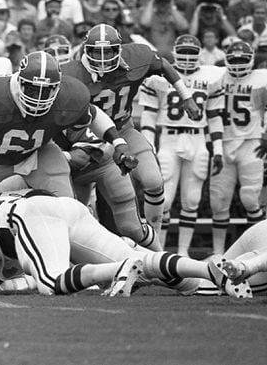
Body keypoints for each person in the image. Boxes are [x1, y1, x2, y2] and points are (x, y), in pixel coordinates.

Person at [0, 189, 241, 297]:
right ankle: (207, 271)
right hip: (63, 207)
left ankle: (119, 269)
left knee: (51, 282)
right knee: (149, 266)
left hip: (27, 216)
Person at [0, 51, 137, 199]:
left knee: (66, 208)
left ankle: (67, 267)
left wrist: (118, 143)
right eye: (32, 88)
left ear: (58, 87)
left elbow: (94, 115)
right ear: (19, 81)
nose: (39, 96)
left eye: (47, 90)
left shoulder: (71, 96)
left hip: (40, 153)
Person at [60, 24, 202, 233]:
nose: (102, 58)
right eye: (96, 52)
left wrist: (186, 96)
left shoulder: (137, 57)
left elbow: (163, 66)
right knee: (78, 205)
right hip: (84, 137)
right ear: (85, 50)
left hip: (123, 128)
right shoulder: (72, 73)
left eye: (107, 51)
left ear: (119, 49)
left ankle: (155, 236)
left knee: (153, 181)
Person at [139, 34, 225, 255]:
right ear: (176, 52)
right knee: (164, 200)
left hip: (197, 139)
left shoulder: (212, 76)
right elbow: (148, 117)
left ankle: (183, 252)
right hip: (169, 138)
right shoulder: (159, 77)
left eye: (191, 52)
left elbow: (214, 116)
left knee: (192, 199)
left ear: (199, 54)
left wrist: (218, 149)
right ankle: (158, 251)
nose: (187, 57)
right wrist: (149, 146)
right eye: (183, 52)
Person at [207, 41, 267, 254]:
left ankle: (259, 250)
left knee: (251, 199)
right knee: (218, 201)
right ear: (226, 60)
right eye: (234, 59)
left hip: (251, 143)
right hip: (221, 144)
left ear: (251, 59)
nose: (238, 64)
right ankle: (218, 253)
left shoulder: (261, 78)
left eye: (243, 59)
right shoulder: (216, 76)